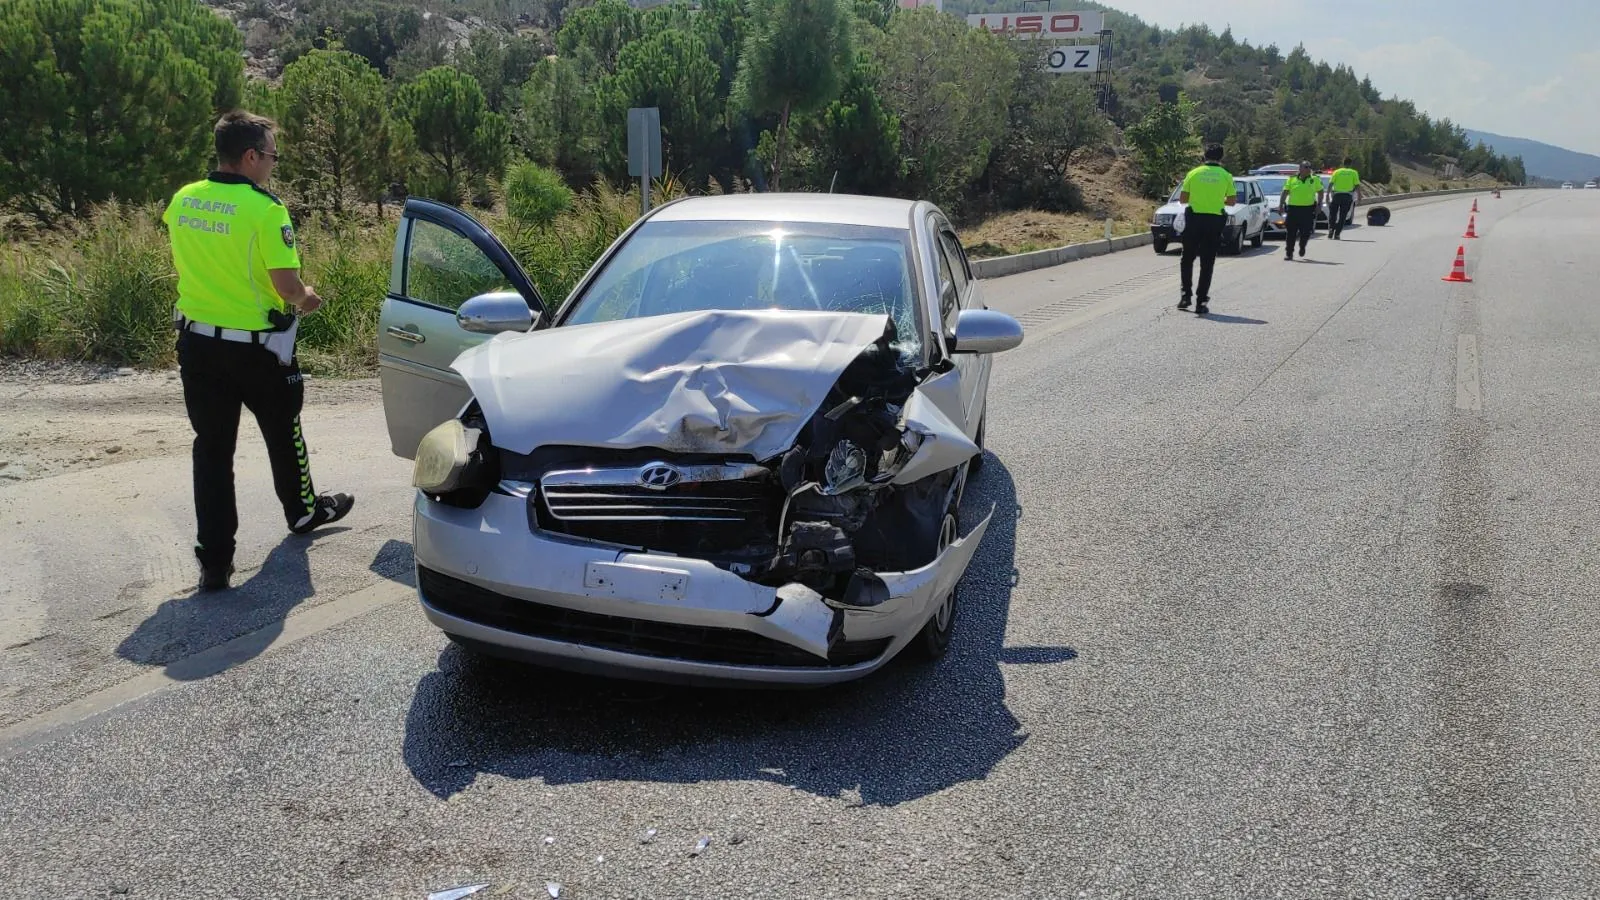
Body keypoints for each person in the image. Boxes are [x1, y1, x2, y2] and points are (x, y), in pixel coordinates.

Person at [162, 111, 354, 591]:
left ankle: (214, 559)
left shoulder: (184, 200)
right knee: (284, 430)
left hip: (198, 343)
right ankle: (304, 510)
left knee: (211, 450)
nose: (273, 164)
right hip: (258, 348)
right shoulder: (266, 211)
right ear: (250, 156)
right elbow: (287, 287)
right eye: (271, 155)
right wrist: (308, 299)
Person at [1176, 143, 1237, 315]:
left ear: (1204, 156)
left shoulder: (1193, 173)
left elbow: (1183, 199)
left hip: (1194, 219)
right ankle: (1201, 301)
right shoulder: (1226, 175)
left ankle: (1185, 295)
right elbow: (1232, 201)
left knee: (1187, 259)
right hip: (1214, 221)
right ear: (1221, 158)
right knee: (1207, 262)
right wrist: (1217, 200)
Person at [1280, 161, 1324, 260]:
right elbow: (1285, 192)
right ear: (1300, 169)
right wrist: (1281, 204)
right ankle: (1289, 253)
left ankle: (1302, 246)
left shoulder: (1315, 179)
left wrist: (1319, 205)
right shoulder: (1292, 179)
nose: (1308, 169)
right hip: (1293, 209)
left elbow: (1320, 192)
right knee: (1291, 232)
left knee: (1306, 232)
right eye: (1306, 167)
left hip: (1307, 210)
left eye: (1309, 167)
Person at [1328, 157, 1361, 239]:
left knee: (1333, 214)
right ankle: (1337, 234)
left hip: (1337, 195)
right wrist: (1359, 195)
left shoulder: (1337, 172)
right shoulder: (1354, 172)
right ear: (1350, 164)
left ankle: (1331, 229)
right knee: (1343, 216)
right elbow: (1357, 185)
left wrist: (1327, 195)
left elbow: (1331, 183)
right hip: (1347, 196)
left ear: (1343, 163)